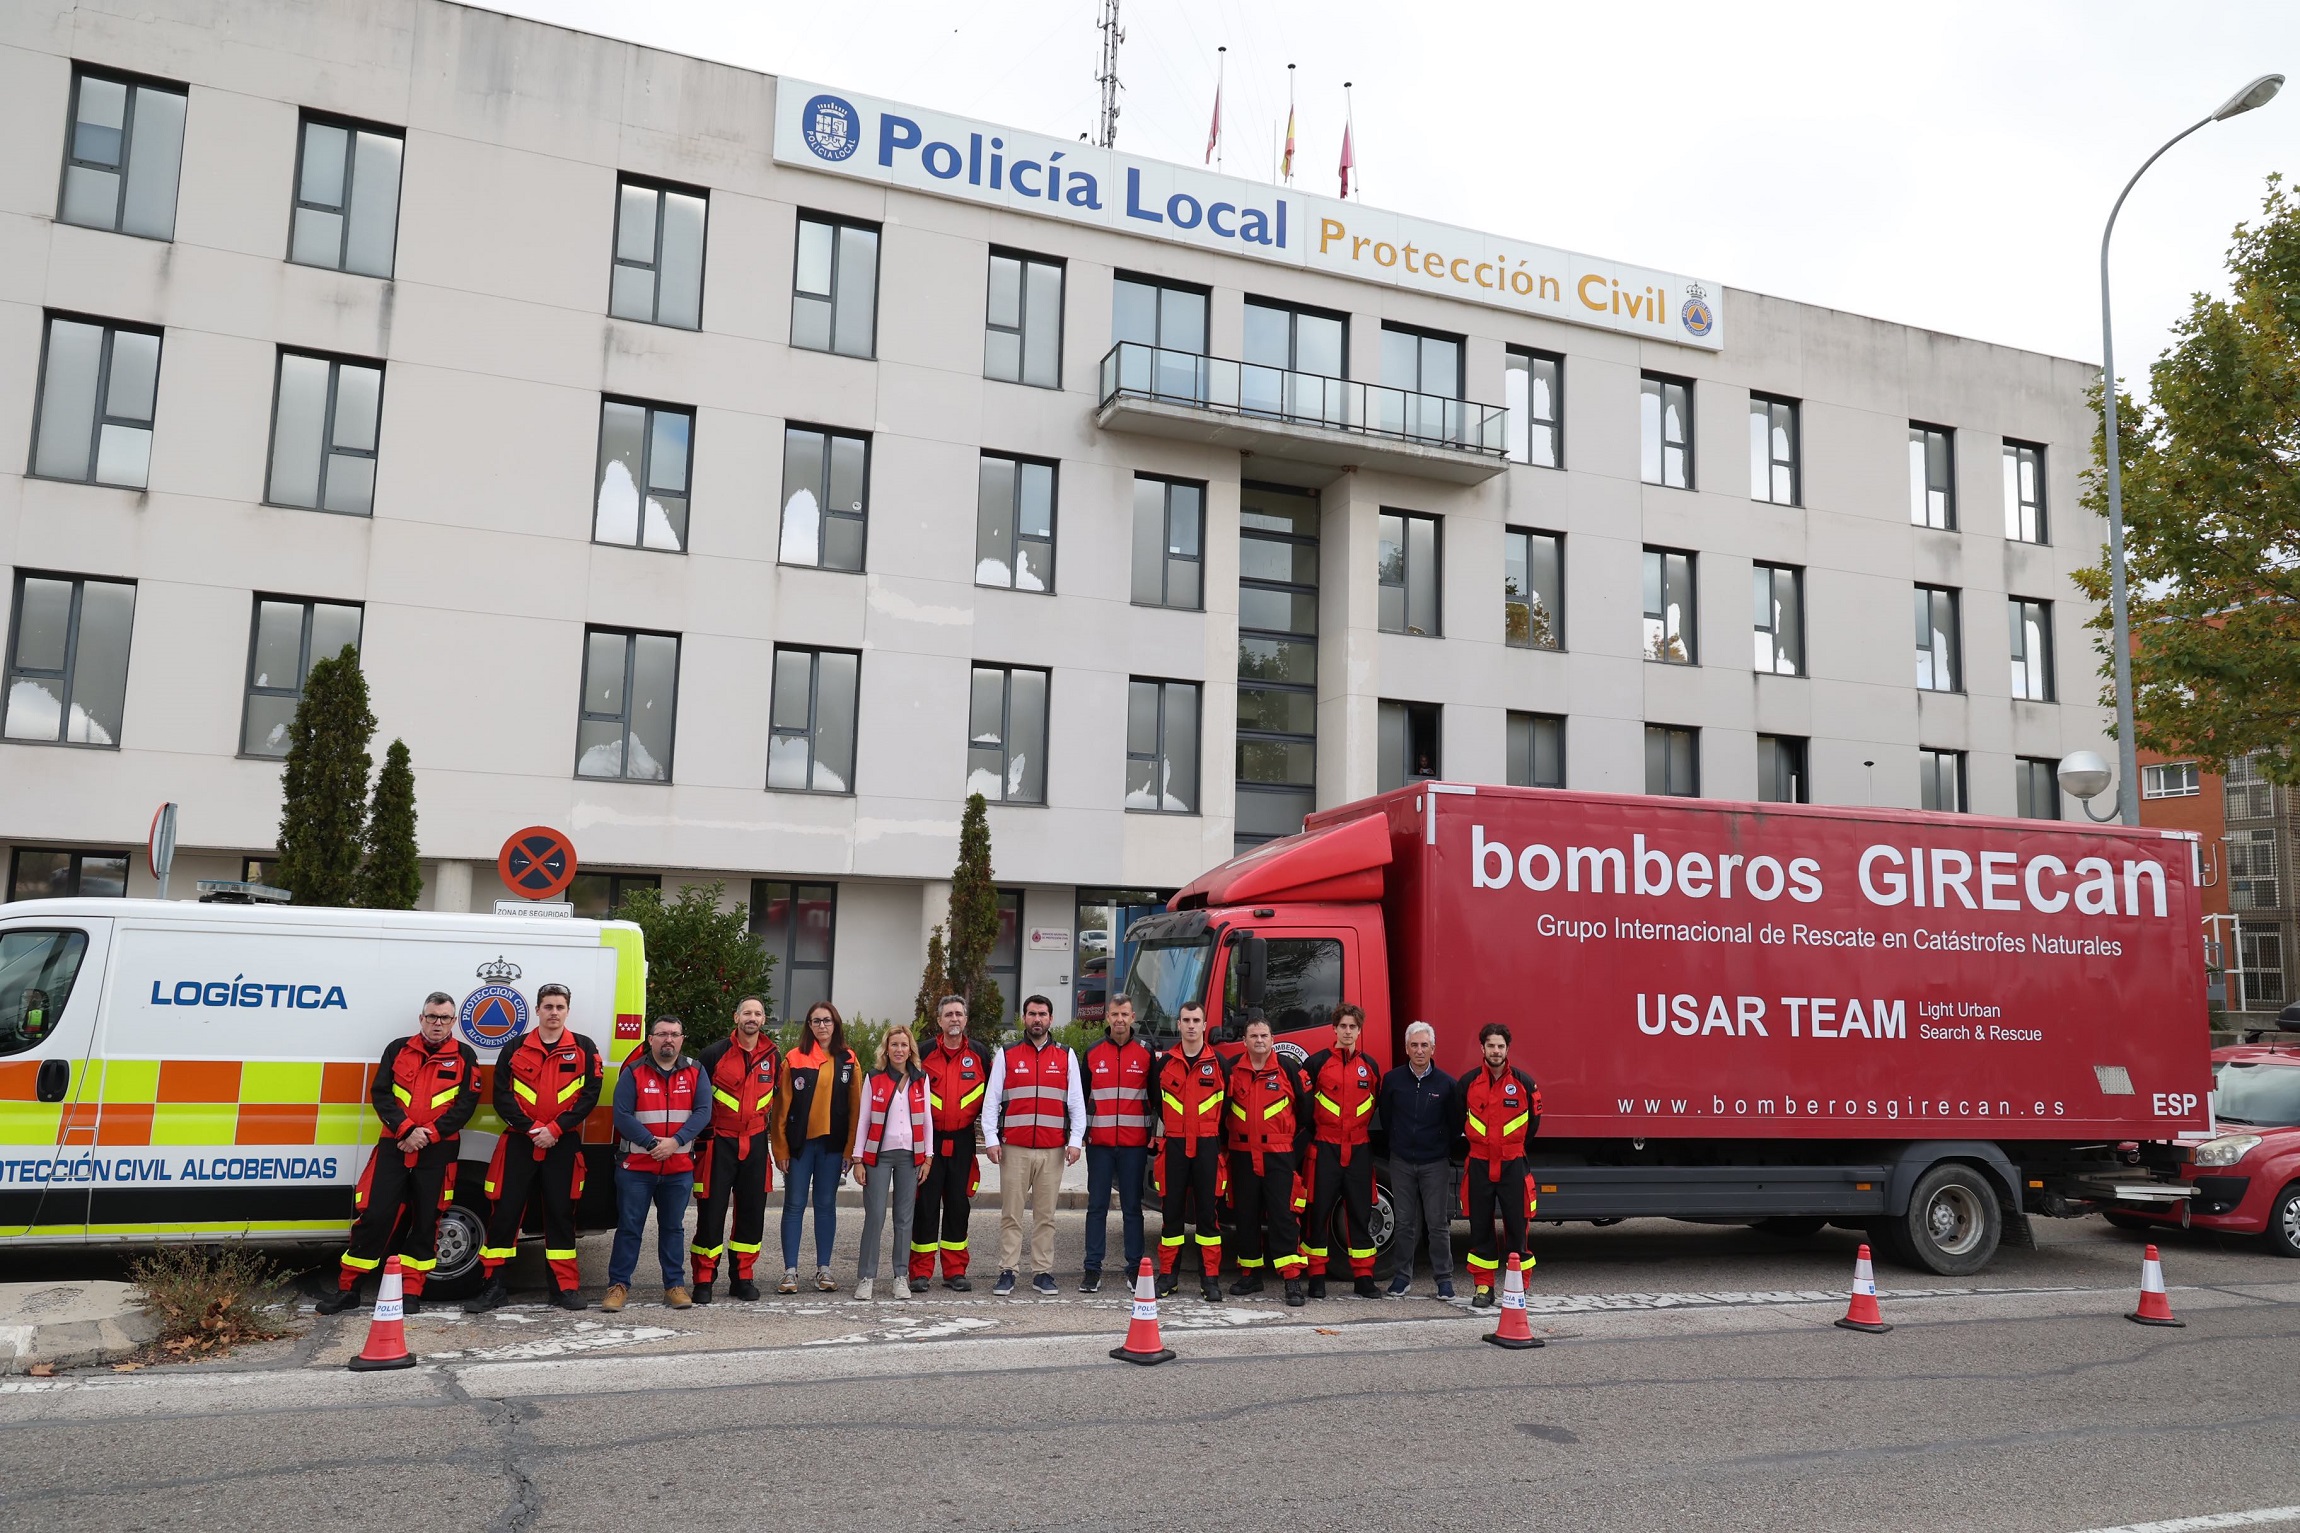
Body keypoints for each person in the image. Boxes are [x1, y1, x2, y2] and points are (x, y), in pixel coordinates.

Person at [316, 991, 480, 1315]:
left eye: (444, 1018)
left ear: (453, 1022)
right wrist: (406, 1130)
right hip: (395, 1144)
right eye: (431, 1016)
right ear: (421, 1018)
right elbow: (381, 1093)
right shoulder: (398, 1049)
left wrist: (427, 1135)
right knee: (375, 1216)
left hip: (437, 1149)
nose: (437, 1023)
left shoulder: (465, 1056)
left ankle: (411, 1292)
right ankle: (348, 1289)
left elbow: (465, 1106)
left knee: (426, 1220)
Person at [469, 982, 601, 1312]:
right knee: (505, 1213)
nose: (553, 1012)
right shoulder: (515, 1047)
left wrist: (555, 1129)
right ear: (538, 1010)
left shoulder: (584, 1048)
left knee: (560, 1215)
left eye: (559, 1007)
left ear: (567, 1011)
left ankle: (563, 1288)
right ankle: (493, 1286)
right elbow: (501, 1095)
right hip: (519, 1141)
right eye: (548, 1006)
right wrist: (531, 1129)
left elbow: (589, 1097)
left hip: (562, 1142)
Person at [604, 1016, 710, 1312]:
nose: (668, 1039)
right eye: (662, 1034)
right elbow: (622, 1115)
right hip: (637, 1168)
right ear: (650, 1039)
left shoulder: (695, 1070)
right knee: (629, 1228)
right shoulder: (633, 1071)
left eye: (675, 1034)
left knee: (673, 1228)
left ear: (682, 1039)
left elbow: (703, 1112)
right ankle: (618, 1286)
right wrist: (653, 1144)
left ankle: (674, 1286)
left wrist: (675, 1142)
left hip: (677, 1169)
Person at [983, 993, 1084, 1296]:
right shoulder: (1007, 1053)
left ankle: (1042, 1272)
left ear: (1051, 1019)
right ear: (1024, 1018)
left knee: (1046, 1216)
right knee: (1011, 1214)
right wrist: (991, 1138)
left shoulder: (1065, 1055)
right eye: (1031, 1014)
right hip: (1014, 1148)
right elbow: (992, 1102)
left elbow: (1076, 1104)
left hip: (1053, 1151)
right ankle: (1007, 1271)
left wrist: (1075, 1141)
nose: (1037, 1019)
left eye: (1042, 1014)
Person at [690, 995, 779, 1303]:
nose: (752, 1018)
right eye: (747, 1013)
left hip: (755, 1142)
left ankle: (742, 1277)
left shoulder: (774, 1055)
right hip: (719, 1143)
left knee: (753, 1212)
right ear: (736, 1017)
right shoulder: (714, 1054)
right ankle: (703, 1279)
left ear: (763, 1020)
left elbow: (780, 1104)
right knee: (711, 1212)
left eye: (758, 1013)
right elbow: (698, 1101)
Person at [1450, 1021, 1542, 1308]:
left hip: (1513, 1163)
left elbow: (1533, 1125)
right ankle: (1483, 1287)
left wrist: (1510, 1149)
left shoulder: (1525, 1083)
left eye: (1500, 1046)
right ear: (1482, 1048)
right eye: (1490, 1045)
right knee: (1480, 1228)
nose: (1496, 1051)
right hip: (1478, 1163)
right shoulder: (1467, 1083)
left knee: (1517, 1226)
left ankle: (1517, 1287)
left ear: (1507, 1049)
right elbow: (1456, 1121)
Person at [771, 1001, 861, 1293]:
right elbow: (780, 1110)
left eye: (827, 1021)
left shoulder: (849, 1059)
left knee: (826, 1205)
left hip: (832, 1148)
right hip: (799, 1148)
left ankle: (824, 1270)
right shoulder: (794, 1059)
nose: (822, 1026)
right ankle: (790, 1272)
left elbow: (856, 1110)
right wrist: (780, 1149)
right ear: (808, 1026)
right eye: (815, 1021)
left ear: (835, 1024)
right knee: (794, 1205)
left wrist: (850, 1150)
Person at [1225, 1015, 1311, 1307]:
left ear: (1272, 1039)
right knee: (1245, 1215)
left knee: (1283, 1216)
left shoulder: (1288, 1069)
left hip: (1278, 1155)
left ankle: (1291, 1280)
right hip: (1242, 1155)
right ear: (1245, 1041)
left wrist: (1289, 1148)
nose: (1259, 1040)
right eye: (1253, 1036)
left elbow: (1306, 1113)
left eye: (1264, 1035)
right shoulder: (1233, 1070)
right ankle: (1251, 1275)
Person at [1299, 1002, 1383, 1298]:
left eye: (1353, 1027)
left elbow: (1374, 1103)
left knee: (1360, 1213)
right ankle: (1317, 1277)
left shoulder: (1370, 1067)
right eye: (1343, 1026)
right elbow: (1304, 1107)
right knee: (1318, 1211)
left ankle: (1363, 1278)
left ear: (1360, 1031)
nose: (1348, 1031)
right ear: (1334, 1029)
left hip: (1359, 1148)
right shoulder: (1317, 1063)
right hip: (1325, 1146)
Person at [912, 996, 992, 1291]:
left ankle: (954, 1271)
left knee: (959, 1205)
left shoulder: (981, 1054)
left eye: (959, 1014)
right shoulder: (923, 1052)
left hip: (963, 1141)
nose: (954, 1019)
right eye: (949, 1014)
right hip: (929, 1141)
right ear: (939, 1020)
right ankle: (920, 1271)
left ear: (965, 1020)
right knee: (926, 1205)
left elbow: (992, 1099)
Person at [1079, 993, 1154, 1292]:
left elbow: (1156, 1099)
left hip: (1135, 1146)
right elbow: (1081, 1098)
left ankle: (1134, 1268)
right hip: (1099, 1144)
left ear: (1133, 1017)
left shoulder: (1147, 1053)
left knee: (1132, 1208)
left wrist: (1152, 1139)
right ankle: (1091, 1269)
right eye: (1114, 1014)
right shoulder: (1093, 1052)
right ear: (1107, 1017)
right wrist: (1081, 1136)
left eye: (1125, 1014)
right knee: (1096, 1206)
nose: (1119, 1020)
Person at [851, 1023, 932, 1300]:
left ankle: (900, 1276)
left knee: (903, 1218)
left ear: (911, 1050)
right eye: (894, 1044)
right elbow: (863, 1120)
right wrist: (858, 1159)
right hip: (878, 1157)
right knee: (875, 1216)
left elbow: (928, 1122)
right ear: (886, 1048)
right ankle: (866, 1277)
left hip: (911, 1157)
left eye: (904, 1045)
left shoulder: (921, 1079)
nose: (899, 1049)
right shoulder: (874, 1078)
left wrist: (928, 1158)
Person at [1152, 999, 1226, 1302]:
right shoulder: (1164, 1064)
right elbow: (1155, 1102)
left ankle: (1210, 1279)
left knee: (1208, 1216)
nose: (1192, 1026)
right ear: (1179, 1024)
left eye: (1197, 1020)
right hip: (1176, 1146)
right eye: (1186, 1020)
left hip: (1208, 1146)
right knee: (1171, 1216)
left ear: (1204, 1025)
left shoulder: (1220, 1063)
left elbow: (1230, 1107)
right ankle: (1168, 1277)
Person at [1377, 1020, 1457, 1298]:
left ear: (1433, 1048)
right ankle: (1402, 1277)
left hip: (1434, 1163)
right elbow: (1387, 1118)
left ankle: (1444, 1280)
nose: (1419, 1050)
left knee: (1437, 1224)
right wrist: (1400, 1142)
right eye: (1414, 1045)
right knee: (1403, 1222)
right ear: (1406, 1048)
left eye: (1424, 1045)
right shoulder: (1392, 1080)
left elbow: (1454, 1122)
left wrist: (1437, 1147)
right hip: (1401, 1161)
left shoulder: (1447, 1084)